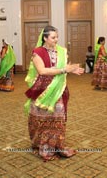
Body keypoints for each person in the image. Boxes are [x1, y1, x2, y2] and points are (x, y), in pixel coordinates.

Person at [24, 25, 84, 161]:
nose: (56, 40)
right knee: (41, 117)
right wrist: (65, 69)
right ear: (45, 38)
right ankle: (41, 144)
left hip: (58, 90)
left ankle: (56, 144)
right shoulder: (37, 52)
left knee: (58, 117)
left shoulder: (61, 51)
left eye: (57, 37)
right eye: (53, 37)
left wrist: (72, 69)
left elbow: (65, 67)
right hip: (42, 89)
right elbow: (43, 71)